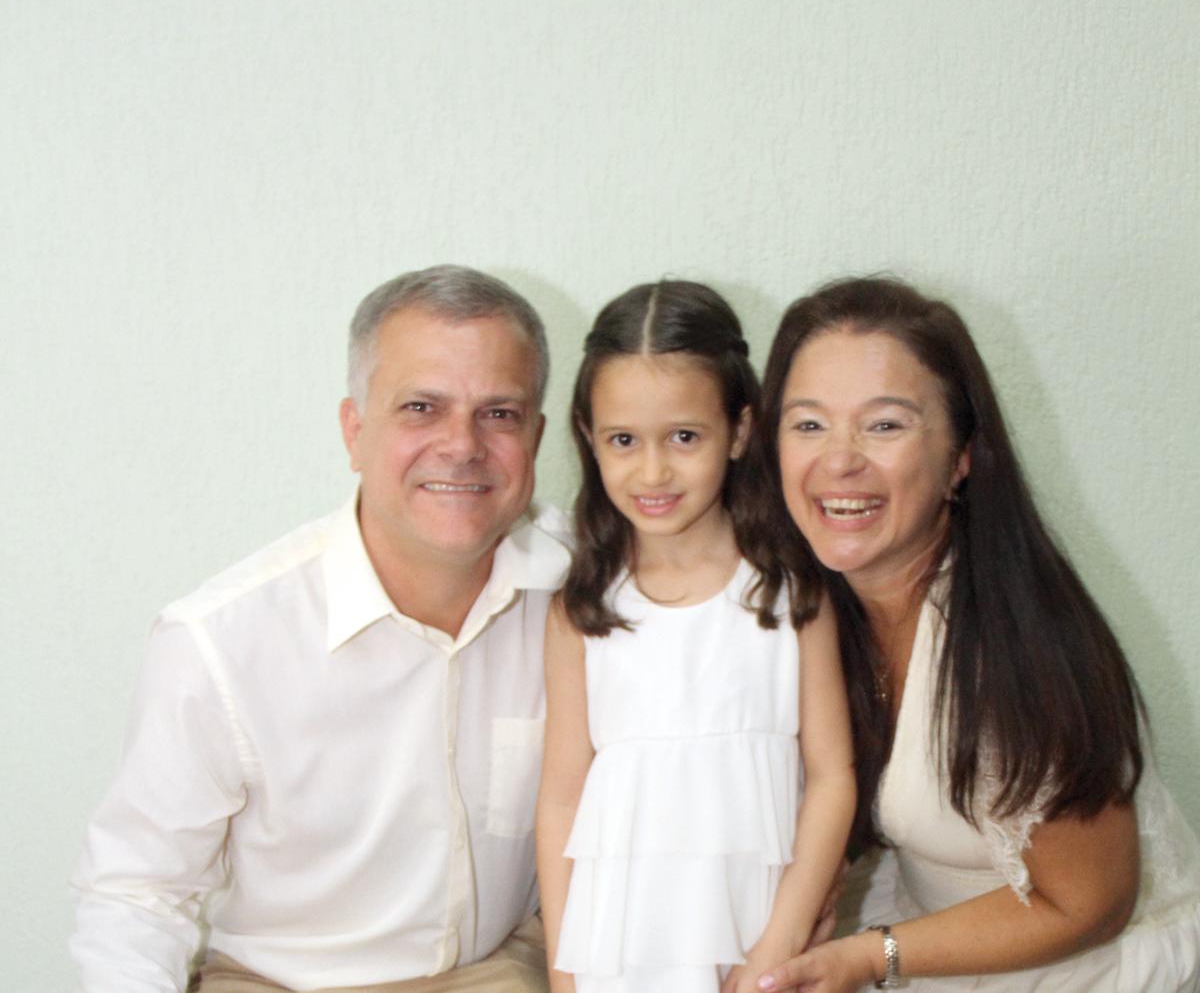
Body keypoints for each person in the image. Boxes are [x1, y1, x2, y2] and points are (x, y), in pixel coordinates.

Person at [71, 266, 571, 993]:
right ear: (354, 429)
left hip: (497, 972)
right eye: (421, 407)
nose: (461, 444)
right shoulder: (220, 641)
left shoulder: (590, 593)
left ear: (537, 435)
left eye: (499, 412)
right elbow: (136, 893)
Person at [754, 276, 1200, 992]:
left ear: (961, 456)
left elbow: (1090, 903)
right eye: (808, 423)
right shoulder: (808, 607)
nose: (839, 459)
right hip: (935, 949)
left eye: (885, 424)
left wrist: (871, 955)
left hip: (1080, 969)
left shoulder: (1022, 641)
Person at [536, 281, 857, 993]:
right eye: (624, 439)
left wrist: (779, 942)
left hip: (759, 932)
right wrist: (565, 974)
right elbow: (561, 796)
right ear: (589, 436)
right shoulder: (581, 610)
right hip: (622, 952)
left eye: (684, 436)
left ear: (739, 430)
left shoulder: (789, 593)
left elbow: (833, 777)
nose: (652, 471)